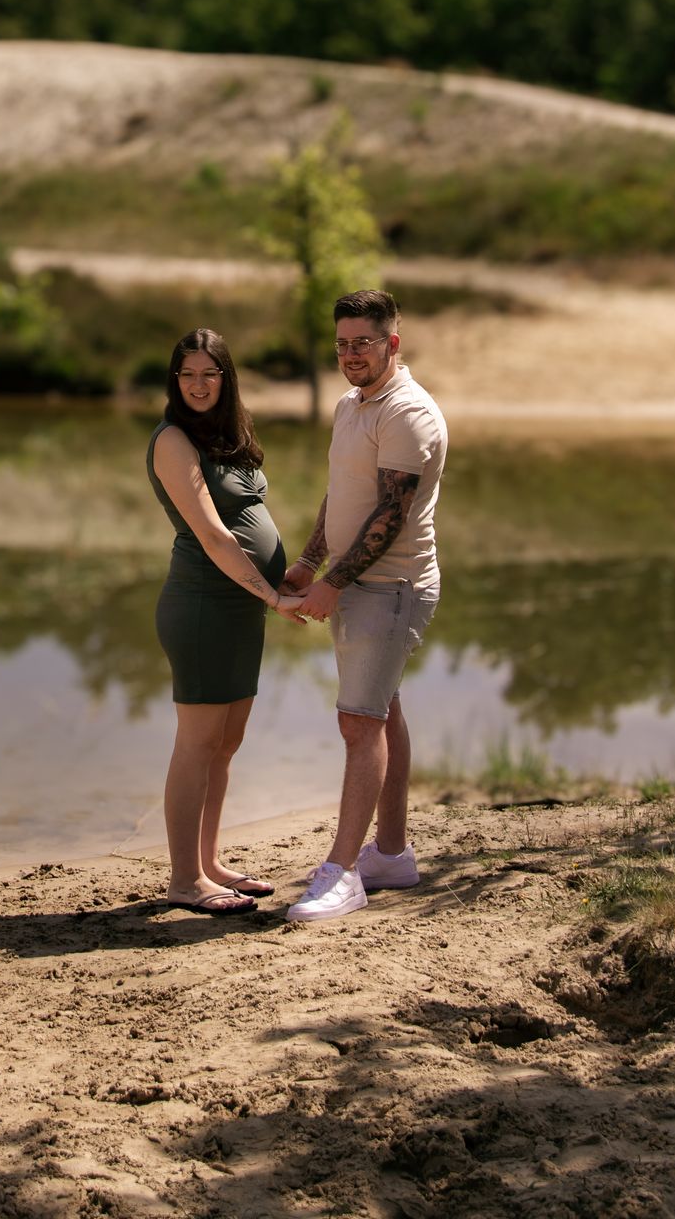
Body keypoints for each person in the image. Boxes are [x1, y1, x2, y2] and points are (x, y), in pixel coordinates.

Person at [280, 289, 448, 923]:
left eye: (364, 343)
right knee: (380, 711)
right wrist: (310, 561)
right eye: (342, 343)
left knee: (359, 724)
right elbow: (342, 494)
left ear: (392, 344)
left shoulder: (407, 412)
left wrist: (331, 586)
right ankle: (392, 855)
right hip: (360, 583)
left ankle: (344, 872)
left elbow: (388, 515)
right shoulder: (352, 403)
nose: (351, 354)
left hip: (392, 586)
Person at [147, 329, 305, 916]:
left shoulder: (230, 437)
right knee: (197, 742)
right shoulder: (173, 441)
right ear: (174, 381)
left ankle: (209, 863)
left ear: (226, 379)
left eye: (209, 374)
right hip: (203, 606)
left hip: (240, 606)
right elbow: (214, 536)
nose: (197, 385)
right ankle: (185, 879)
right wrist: (270, 594)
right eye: (187, 374)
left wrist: (279, 580)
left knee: (225, 742)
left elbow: (248, 519)